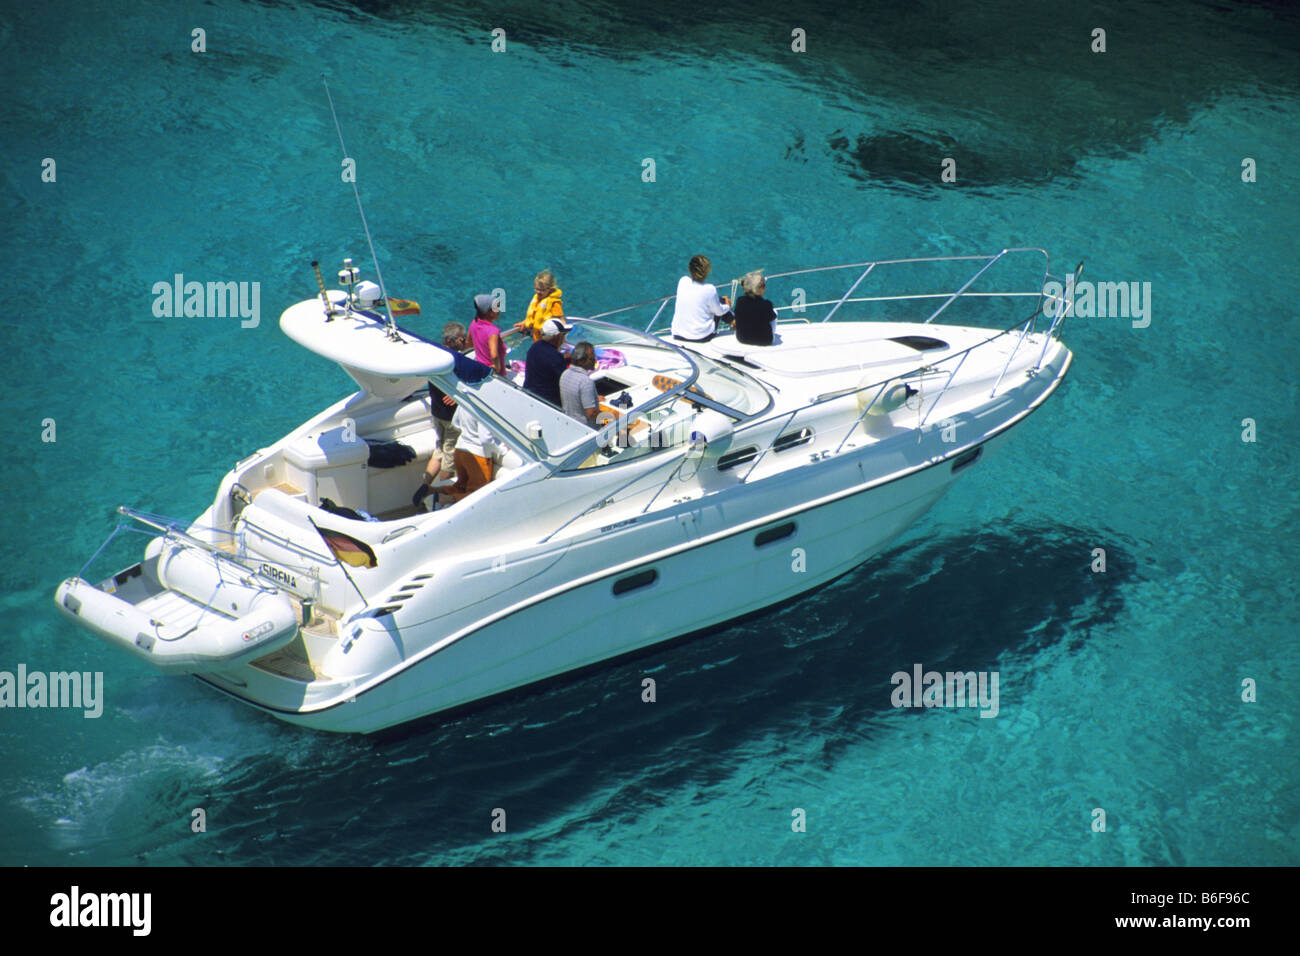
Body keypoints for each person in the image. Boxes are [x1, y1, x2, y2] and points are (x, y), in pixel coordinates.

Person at [412, 322, 466, 509]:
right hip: (451, 418)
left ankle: (425, 484)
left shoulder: (434, 355)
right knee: (449, 461)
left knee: (439, 450)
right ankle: (440, 502)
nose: (464, 342)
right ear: (453, 340)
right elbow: (459, 386)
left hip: (437, 413)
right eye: (462, 339)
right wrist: (457, 396)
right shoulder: (452, 360)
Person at [444, 405, 502, 503]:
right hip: (476, 455)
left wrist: (468, 434)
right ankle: (446, 499)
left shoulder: (463, 403)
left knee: (460, 486)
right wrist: (500, 450)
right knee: (478, 494)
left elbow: (455, 423)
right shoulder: (484, 406)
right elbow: (486, 439)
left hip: (460, 450)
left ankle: (432, 491)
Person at [670, 254, 733, 342]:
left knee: (715, 301)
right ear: (707, 271)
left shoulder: (683, 281)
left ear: (690, 268)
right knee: (721, 301)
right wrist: (728, 305)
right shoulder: (710, 289)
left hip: (678, 334)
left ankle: (733, 321)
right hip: (702, 337)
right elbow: (719, 312)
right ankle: (734, 322)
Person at [523, 317, 572, 407]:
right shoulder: (555, 357)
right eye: (563, 335)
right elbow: (567, 384)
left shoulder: (535, 347)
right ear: (557, 336)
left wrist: (563, 358)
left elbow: (545, 362)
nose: (564, 339)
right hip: (548, 403)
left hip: (530, 394)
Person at [513, 270, 565, 342]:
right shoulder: (537, 299)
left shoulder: (553, 303)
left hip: (548, 342)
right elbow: (535, 316)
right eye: (537, 289)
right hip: (536, 339)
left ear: (550, 289)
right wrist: (525, 323)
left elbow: (560, 321)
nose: (538, 292)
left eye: (542, 290)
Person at [560, 341, 599, 426]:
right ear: (581, 361)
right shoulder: (586, 381)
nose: (595, 360)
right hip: (587, 430)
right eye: (592, 358)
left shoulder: (564, 374)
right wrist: (609, 420)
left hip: (569, 424)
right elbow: (591, 414)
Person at [733, 270, 777, 345]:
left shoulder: (739, 301)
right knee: (775, 312)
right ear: (760, 288)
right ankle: (773, 334)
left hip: (741, 338)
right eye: (763, 286)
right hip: (764, 341)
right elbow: (772, 317)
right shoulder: (767, 304)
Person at [468, 293, 507, 375]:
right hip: (493, 373)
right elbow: (494, 356)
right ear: (488, 312)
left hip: (481, 368)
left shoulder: (474, 323)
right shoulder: (493, 332)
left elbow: (469, 343)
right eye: (497, 307)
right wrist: (498, 368)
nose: (499, 310)